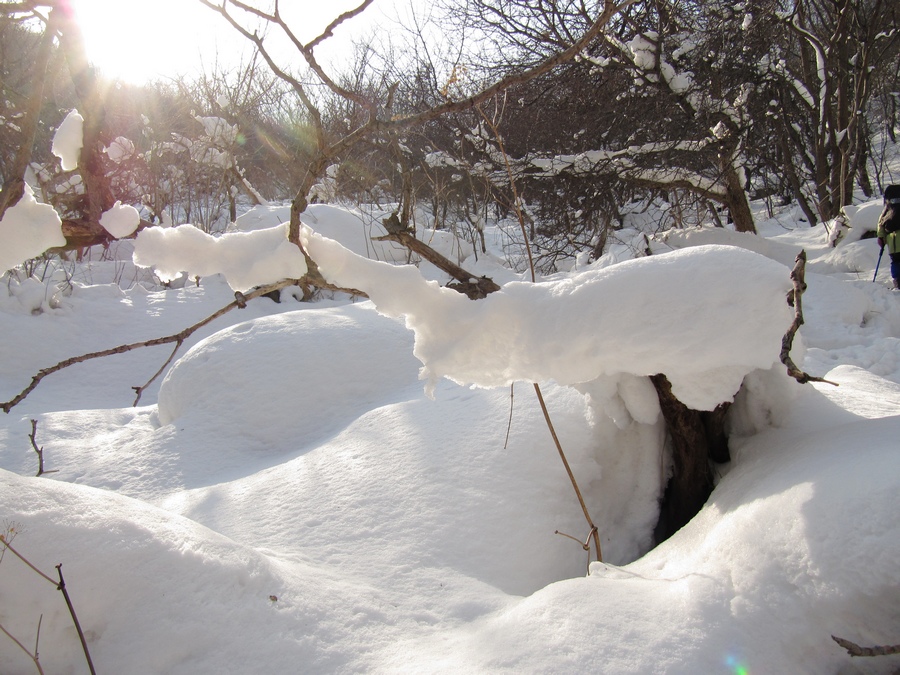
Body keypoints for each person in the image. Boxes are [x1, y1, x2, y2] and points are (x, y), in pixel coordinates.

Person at [876, 184, 900, 289]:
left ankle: (898, 282)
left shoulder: (888, 209)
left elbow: (881, 224)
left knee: (896, 261)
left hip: (893, 240)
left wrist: (881, 237)